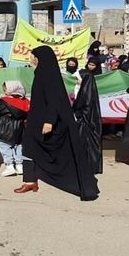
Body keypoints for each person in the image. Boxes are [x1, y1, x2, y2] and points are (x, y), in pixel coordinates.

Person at [14, 45, 99, 201]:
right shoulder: (40, 72)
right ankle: (30, 180)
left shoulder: (47, 75)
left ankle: (32, 180)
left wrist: (49, 121)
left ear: (40, 58)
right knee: (28, 148)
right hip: (35, 120)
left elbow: (53, 100)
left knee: (34, 148)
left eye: (33, 56)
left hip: (44, 121)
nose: (31, 59)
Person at [0, 81, 30, 177]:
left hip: (6, 128)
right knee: (19, 145)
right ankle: (19, 165)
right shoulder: (26, 101)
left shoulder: (5, 101)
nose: (4, 91)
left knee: (4, 145)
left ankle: (9, 166)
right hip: (20, 128)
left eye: (5, 89)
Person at [72, 70, 103, 174]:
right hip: (87, 121)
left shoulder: (86, 91)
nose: (77, 81)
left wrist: (78, 115)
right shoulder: (85, 89)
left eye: (78, 79)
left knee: (87, 145)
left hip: (86, 122)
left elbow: (86, 107)